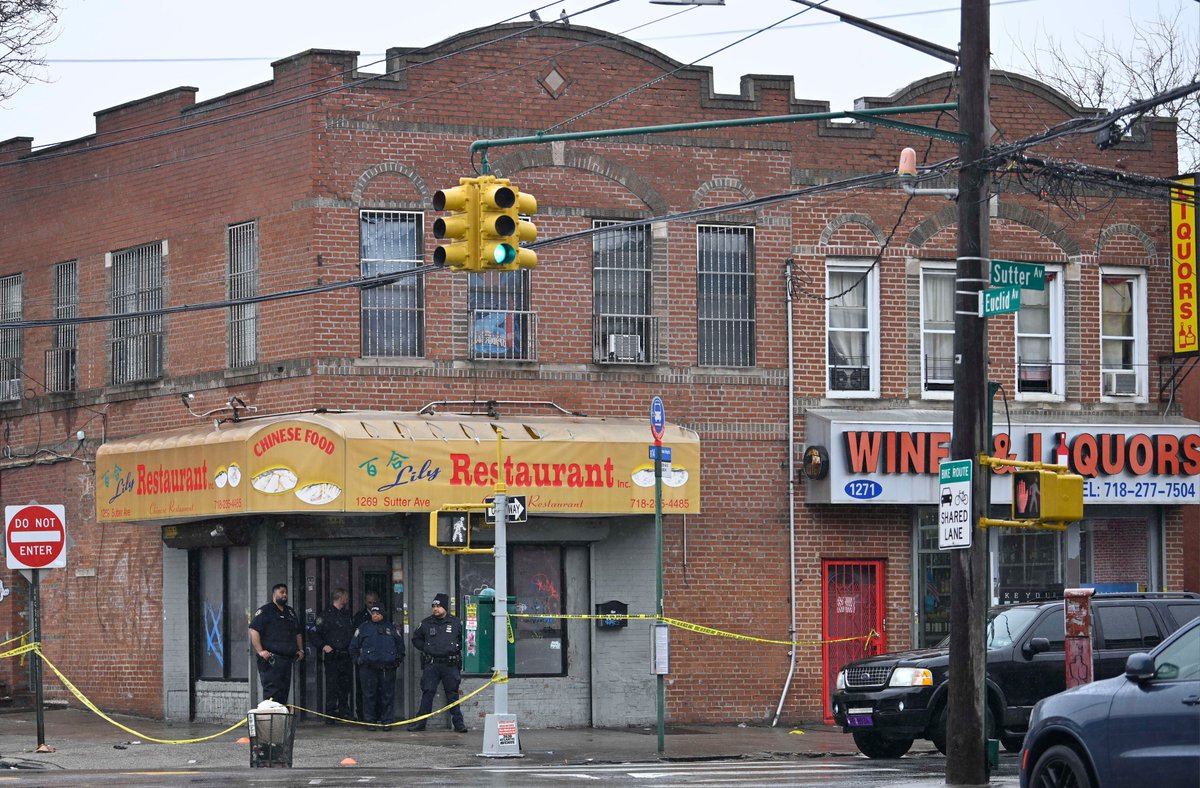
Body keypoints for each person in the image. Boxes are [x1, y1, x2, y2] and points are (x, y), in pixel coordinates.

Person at [407, 593, 468, 732]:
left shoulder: (456, 622)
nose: (435, 609)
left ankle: (458, 724)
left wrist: (456, 647)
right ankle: (420, 723)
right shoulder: (426, 623)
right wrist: (426, 648)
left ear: (445, 607)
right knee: (428, 693)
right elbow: (416, 639)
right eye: (433, 606)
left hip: (450, 664)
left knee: (452, 694)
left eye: (438, 606)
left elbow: (464, 639)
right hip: (432, 664)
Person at [349, 605, 405, 730]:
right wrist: (358, 661)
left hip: (387, 668)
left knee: (387, 696)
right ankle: (370, 721)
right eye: (373, 613)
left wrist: (397, 661)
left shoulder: (391, 628)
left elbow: (400, 647)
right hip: (368, 668)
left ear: (383, 614)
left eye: (377, 613)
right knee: (369, 695)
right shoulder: (364, 627)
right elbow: (353, 647)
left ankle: (387, 722)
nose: (375, 615)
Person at [248, 583, 304, 704]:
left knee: (284, 693)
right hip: (271, 660)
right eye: (282, 592)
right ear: (274, 595)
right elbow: (253, 630)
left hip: (287, 660)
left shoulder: (290, 612)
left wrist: (300, 650)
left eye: (286, 593)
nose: (285, 595)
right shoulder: (265, 611)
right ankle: (271, 722)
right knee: (272, 695)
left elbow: (297, 632)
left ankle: (280, 721)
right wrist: (260, 651)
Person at [312, 587, 354, 724]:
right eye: (346, 597)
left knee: (345, 685)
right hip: (333, 656)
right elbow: (313, 633)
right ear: (340, 598)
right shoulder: (325, 615)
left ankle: (343, 711)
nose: (347, 599)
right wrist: (323, 646)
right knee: (332, 685)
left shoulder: (347, 615)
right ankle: (330, 714)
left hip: (346, 655)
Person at [351, 590, 380, 719]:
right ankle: (362, 715)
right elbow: (354, 640)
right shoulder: (359, 617)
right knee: (363, 689)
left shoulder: (383, 616)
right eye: (369, 602)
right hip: (365, 659)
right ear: (365, 602)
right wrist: (357, 658)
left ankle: (377, 715)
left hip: (379, 658)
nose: (372, 605)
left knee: (379, 689)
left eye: (374, 602)